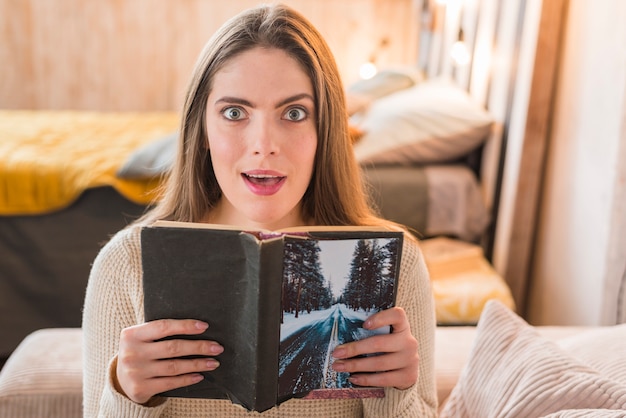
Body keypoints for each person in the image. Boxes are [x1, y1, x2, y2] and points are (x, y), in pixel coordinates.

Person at [82, 3, 437, 417]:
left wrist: (398, 392)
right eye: (235, 113)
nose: (263, 143)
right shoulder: (124, 264)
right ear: (202, 131)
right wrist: (127, 395)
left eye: (294, 113)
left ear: (326, 131)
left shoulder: (398, 264)